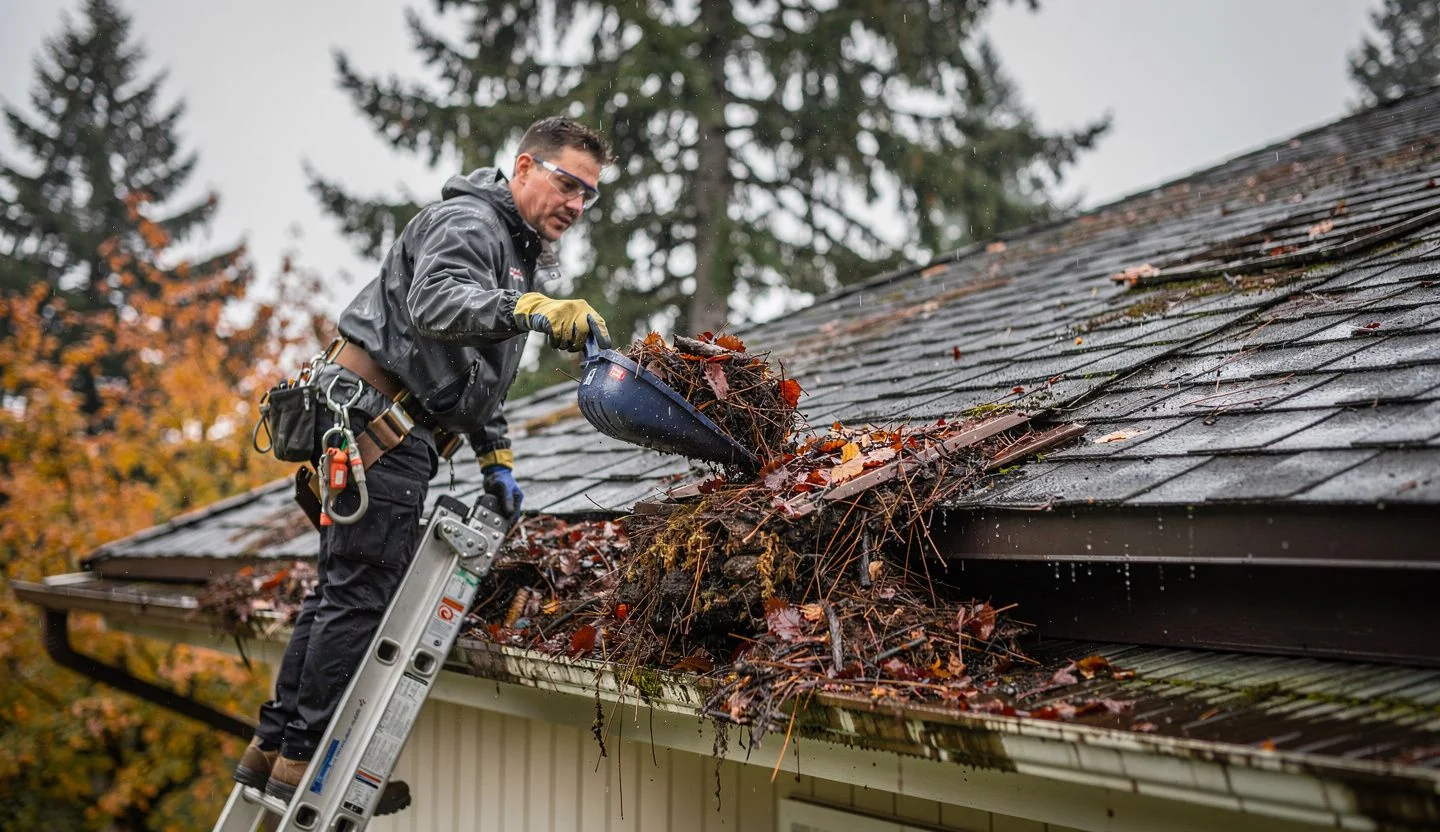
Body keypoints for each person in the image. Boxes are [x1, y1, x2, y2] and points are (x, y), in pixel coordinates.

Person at [232, 116, 613, 812]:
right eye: (567, 183)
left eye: (589, 194)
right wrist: (532, 309)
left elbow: (472, 380)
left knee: (335, 594)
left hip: (382, 430)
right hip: (381, 432)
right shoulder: (471, 225)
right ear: (524, 168)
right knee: (357, 598)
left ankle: (274, 750)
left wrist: (495, 458)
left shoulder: (510, 252)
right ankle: (307, 763)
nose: (577, 204)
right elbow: (439, 305)